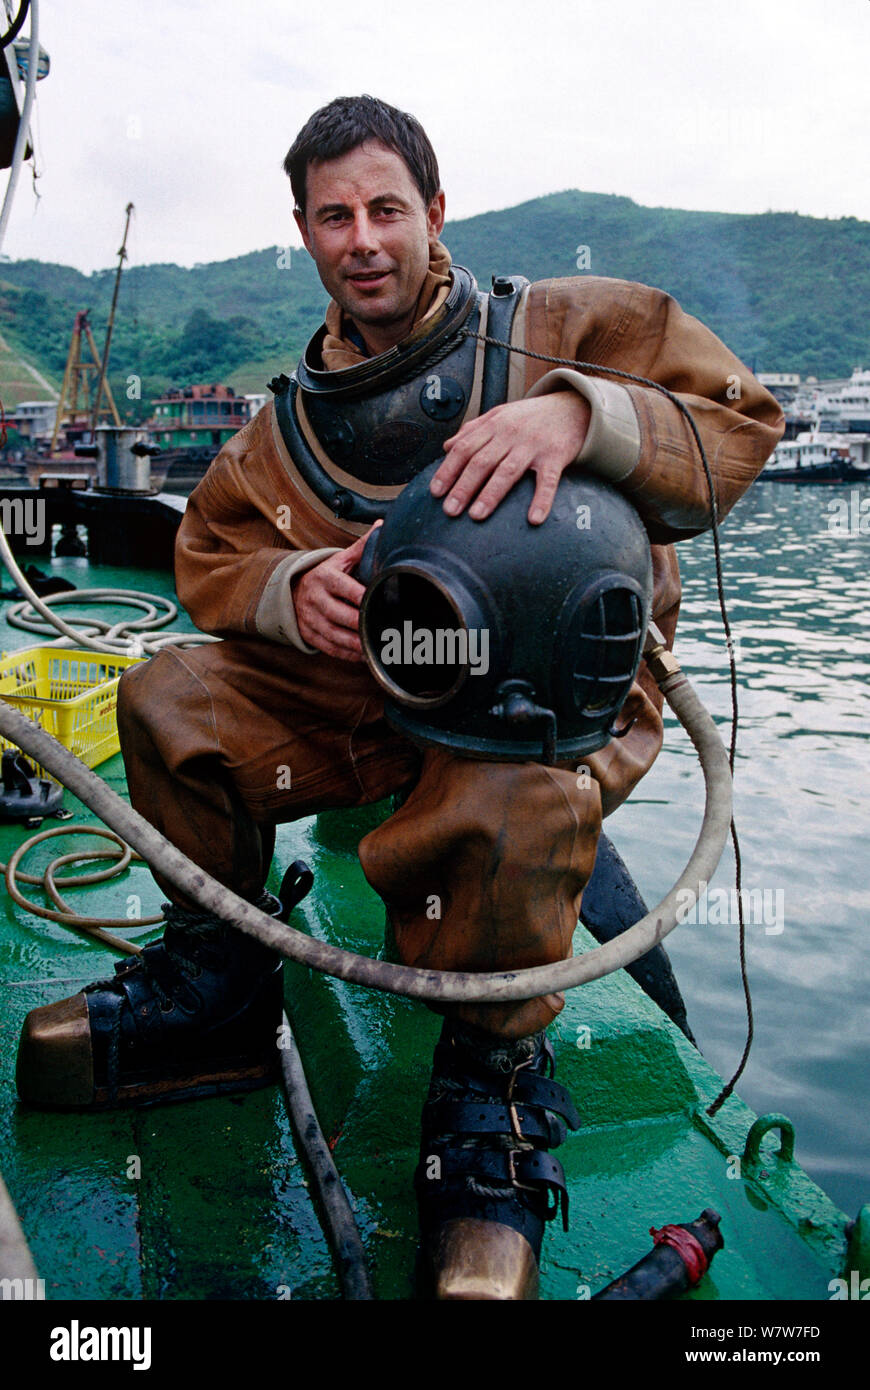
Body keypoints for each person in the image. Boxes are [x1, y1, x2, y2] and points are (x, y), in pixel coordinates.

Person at [16, 95, 784, 1300]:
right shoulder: (289, 427)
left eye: (385, 208)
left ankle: (490, 1095)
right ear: (305, 233)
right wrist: (286, 591)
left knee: (514, 794)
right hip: (361, 701)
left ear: (434, 211)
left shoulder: (562, 327)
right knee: (171, 697)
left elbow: (742, 423)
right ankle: (214, 995)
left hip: (537, 712)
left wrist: (579, 409)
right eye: (334, 217)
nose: (362, 238)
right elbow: (206, 557)